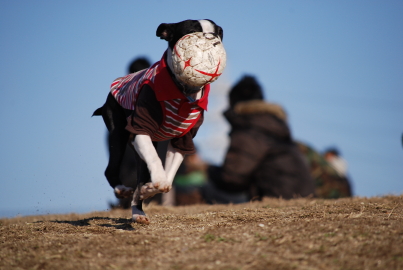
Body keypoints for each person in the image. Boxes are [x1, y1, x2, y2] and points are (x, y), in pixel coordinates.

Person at [204, 75, 315, 203]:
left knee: (207, 188)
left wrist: (206, 170)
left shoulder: (249, 131)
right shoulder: (271, 124)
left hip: (279, 200)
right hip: (302, 197)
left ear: (233, 103)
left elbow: (231, 178)